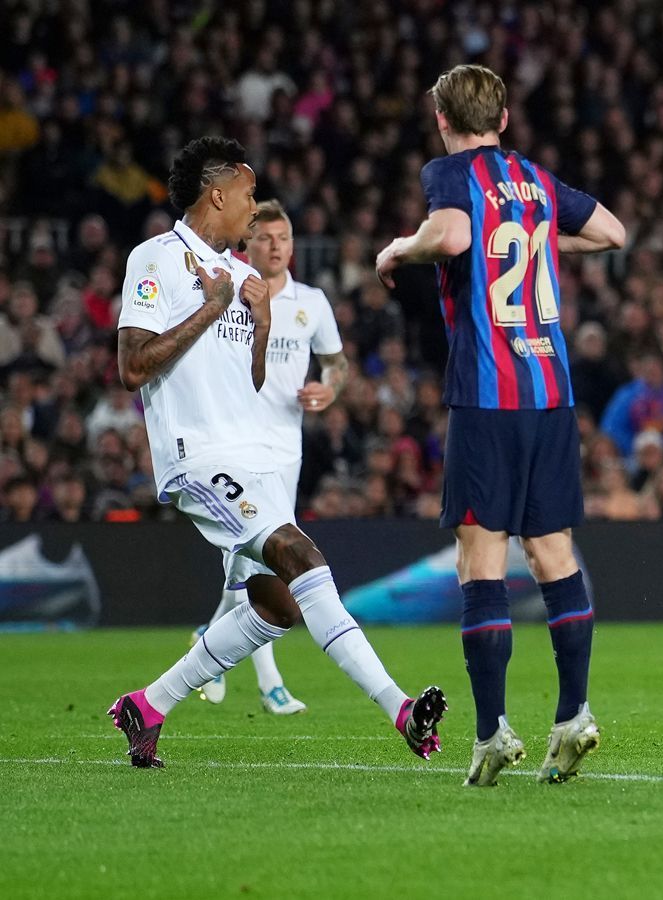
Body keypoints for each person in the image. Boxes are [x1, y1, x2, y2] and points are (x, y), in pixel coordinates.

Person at [108, 137, 445, 768]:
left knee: (279, 604)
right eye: (247, 194)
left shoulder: (243, 277)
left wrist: (259, 329)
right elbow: (133, 366)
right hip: (195, 455)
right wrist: (212, 309)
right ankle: (401, 709)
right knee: (302, 556)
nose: (253, 207)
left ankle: (148, 705)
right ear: (216, 193)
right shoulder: (154, 259)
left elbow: (252, 380)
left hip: (249, 455)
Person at [376, 64, 626, 787]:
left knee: (480, 557)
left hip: (489, 399)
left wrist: (401, 248)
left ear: (443, 121)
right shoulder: (537, 180)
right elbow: (612, 232)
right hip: (551, 392)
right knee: (553, 553)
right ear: (505, 118)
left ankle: (490, 734)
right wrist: (535, 238)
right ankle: (573, 713)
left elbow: (452, 238)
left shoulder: (452, 173)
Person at [189, 199, 346, 715]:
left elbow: (336, 364)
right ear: (247, 243)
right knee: (251, 563)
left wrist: (329, 390)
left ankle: (207, 640)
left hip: (285, 448)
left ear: (293, 245)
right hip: (232, 444)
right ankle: (271, 683)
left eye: (283, 238)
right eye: (265, 238)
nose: (275, 246)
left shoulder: (312, 302)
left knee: (254, 564)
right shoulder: (228, 293)